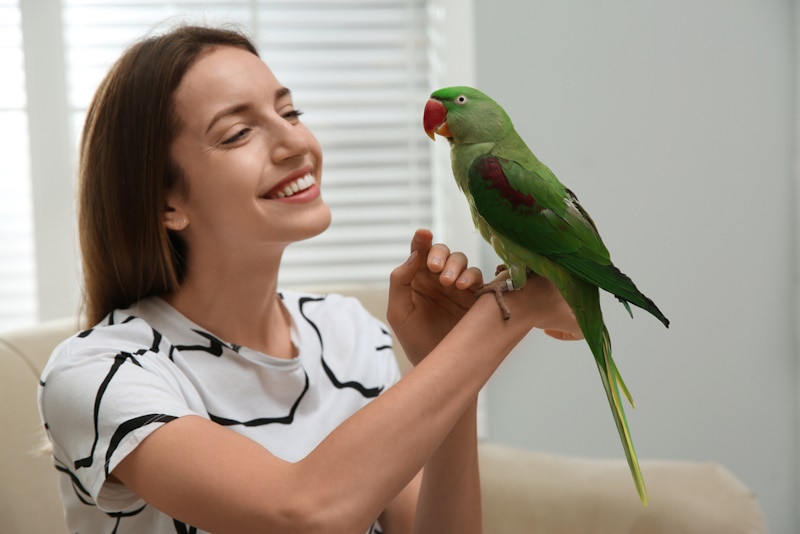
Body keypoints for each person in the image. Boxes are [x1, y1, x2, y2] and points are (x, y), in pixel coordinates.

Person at [37, 24, 581, 534]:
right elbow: (306, 514)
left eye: (290, 112)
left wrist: (445, 363)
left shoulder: (347, 332)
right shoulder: (99, 372)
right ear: (165, 202)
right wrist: (509, 314)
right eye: (237, 133)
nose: (296, 143)